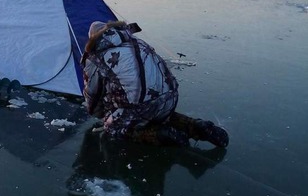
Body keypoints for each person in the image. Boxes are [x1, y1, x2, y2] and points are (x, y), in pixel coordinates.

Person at [81, 20, 229, 147]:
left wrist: (101, 114)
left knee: (115, 128)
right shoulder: (136, 42)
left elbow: (93, 94)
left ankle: (160, 135)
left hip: (141, 107)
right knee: (160, 115)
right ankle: (197, 126)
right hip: (170, 97)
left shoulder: (96, 57)